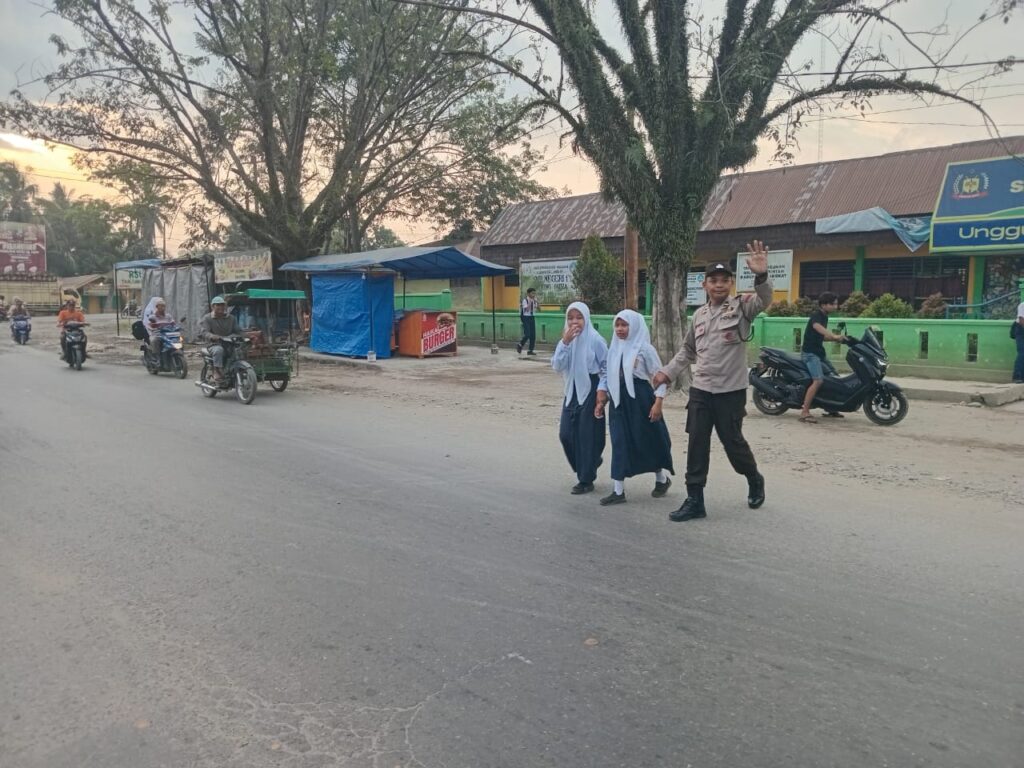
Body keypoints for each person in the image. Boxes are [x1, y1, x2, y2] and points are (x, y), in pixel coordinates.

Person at [652, 241, 773, 522]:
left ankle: (753, 477)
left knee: (733, 443)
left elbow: (764, 300)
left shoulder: (742, 308)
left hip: (730, 392)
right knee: (697, 443)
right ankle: (695, 499)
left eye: (724, 281)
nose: (719, 285)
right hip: (701, 390)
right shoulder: (699, 315)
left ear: (731, 283)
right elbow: (688, 351)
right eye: (713, 281)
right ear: (704, 284)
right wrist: (667, 372)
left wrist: (762, 276)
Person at [594, 309, 674, 506]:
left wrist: (658, 403)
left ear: (634, 326)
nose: (620, 329)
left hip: (641, 400)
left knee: (648, 440)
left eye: (624, 325)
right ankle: (618, 491)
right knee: (619, 441)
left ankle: (661, 479)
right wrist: (601, 400)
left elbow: (660, 377)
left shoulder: (645, 349)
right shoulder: (614, 348)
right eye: (618, 325)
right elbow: (607, 375)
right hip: (619, 402)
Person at [552, 301, 608, 494]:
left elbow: (606, 368)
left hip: (590, 389)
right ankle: (590, 463)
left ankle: (586, 479)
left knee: (587, 436)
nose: (574, 322)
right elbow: (557, 366)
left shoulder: (595, 340)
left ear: (586, 319)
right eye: (570, 317)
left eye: (579, 317)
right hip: (571, 390)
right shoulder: (565, 340)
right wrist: (565, 343)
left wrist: (602, 391)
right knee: (566, 434)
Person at [799, 292, 848, 423]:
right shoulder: (817, 316)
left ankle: (830, 408)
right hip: (810, 354)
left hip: (819, 353)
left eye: (836, 304)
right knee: (818, 381)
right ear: (824, 304)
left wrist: (837, 339)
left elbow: (821, 336)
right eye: (833, 304)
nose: (836, 306)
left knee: (834, 377)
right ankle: (804, 412)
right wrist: (833, 335)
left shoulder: (825, 317)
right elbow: (817, 327)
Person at [200, 296, 243, 381]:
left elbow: (238, 331)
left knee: (241, 350)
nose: (221, 307)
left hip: (229, 343)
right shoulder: (207, 318)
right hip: (213, 344)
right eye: (218, 305)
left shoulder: (231, 318)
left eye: (223, 305)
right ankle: (217, 370)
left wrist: (247, 335)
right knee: (218, 350)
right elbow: (204, 332)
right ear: (212, 307)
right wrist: (212, 336)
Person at [144, 297, 177, 364]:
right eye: (161, 306)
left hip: (167, 334)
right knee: (155, 340)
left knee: (178, 339)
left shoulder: (168, 316)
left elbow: (173, 323)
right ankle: (156, 357)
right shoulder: (153, 316)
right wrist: (153, 325)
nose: (163, 308)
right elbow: (150, 324)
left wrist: (176, 326)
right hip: (157, 334)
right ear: (157, 307)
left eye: (164, 306)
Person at [516, 287, 539, 355]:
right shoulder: (525, 300)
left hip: (532, 317)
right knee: (527, 334)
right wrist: (530, 302)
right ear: (528, 293)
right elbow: (526, 310)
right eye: (532, 293)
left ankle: (530, 350)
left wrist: (537, 302)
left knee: (533, 335)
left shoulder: (534, 300)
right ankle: (520, 344)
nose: (533, 295)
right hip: (526, 318)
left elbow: (539, 309)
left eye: (534, 293)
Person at [1013, 298, 1024, 384]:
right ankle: (1017, 376)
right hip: (1021, 330)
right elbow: (1021, 321)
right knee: (1022, 352)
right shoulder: (1022, 305)